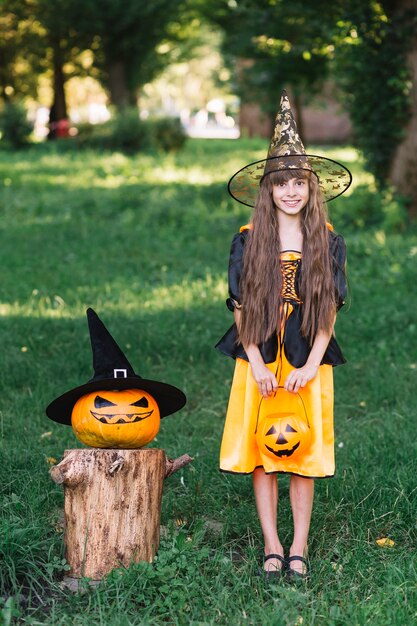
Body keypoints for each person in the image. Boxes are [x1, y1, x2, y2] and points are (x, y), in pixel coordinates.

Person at [216, 91, 351, 580]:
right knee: (263, 449)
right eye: (281, 184)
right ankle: (271, 544)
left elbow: (331, 308)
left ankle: (299, 545)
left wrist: (313, 363)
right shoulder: (249, 238)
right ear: (268, 190)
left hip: (305, 358)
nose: (290, 191)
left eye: (299, 183)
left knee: (302, 448)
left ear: (311, 189)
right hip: (257, 356)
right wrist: (252, 359)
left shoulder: (327, 240)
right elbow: (239, 304)